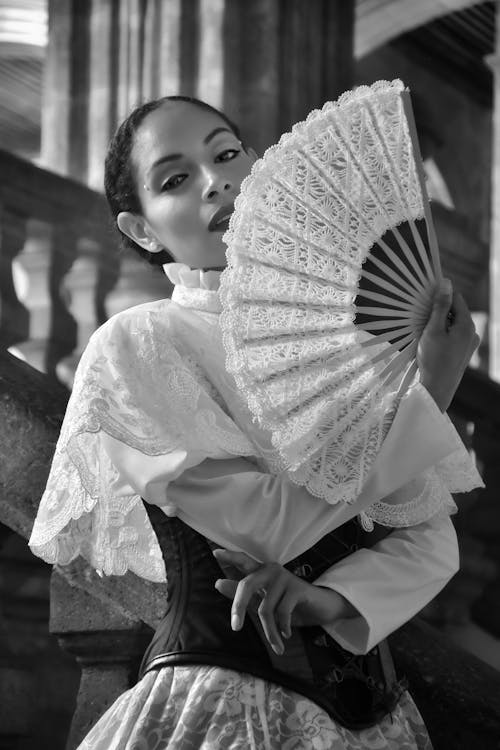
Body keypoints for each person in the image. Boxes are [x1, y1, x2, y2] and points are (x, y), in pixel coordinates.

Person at [29, 95, 482, 749]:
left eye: (227, 153)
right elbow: (265, 527)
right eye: (176, 179)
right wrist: (431, 391)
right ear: (142, 229)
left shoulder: (353, 341)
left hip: (377, 721)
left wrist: (327, 600)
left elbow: (429, 540)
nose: (217, 180)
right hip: (221, 701)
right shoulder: (140, 343)